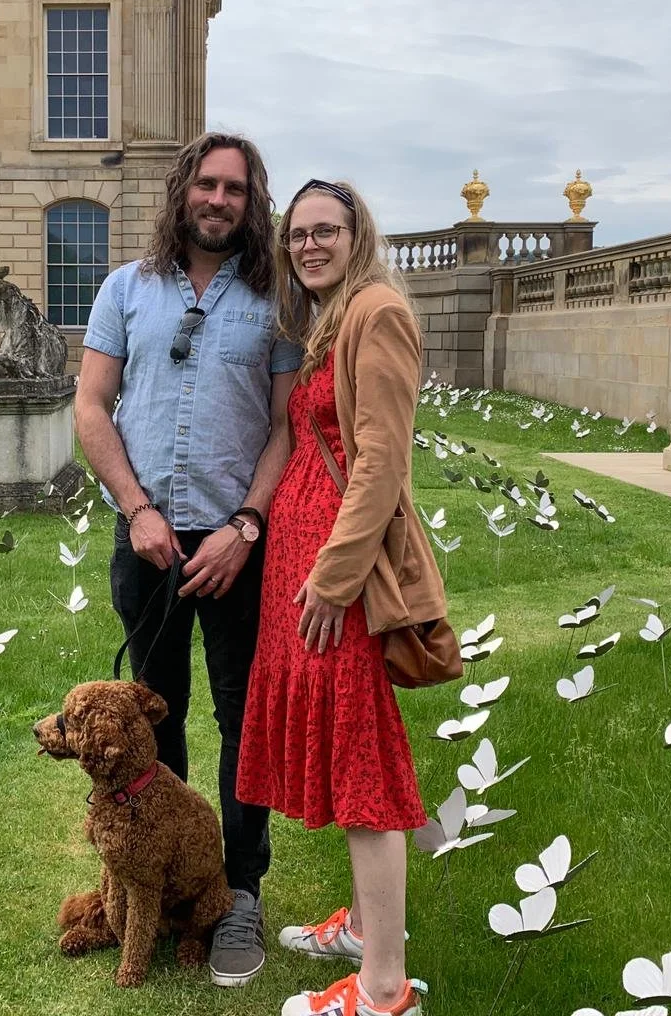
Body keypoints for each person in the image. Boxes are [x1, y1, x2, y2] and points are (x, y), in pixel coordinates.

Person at [76, 131, 302, 988]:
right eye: (205, 184)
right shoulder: (126, 289)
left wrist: (246, 527)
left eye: (234, 189)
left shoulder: (273, 296)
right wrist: (137, 509)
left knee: (245, 721)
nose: (218, 199)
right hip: (148, 541)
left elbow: (283, 425)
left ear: (253, 203)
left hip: (238, 546)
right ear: (183, 193)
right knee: (151, 719)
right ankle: (163, 885)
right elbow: (92, 408)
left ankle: (237, 891)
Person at [236, 179, 442, 1016]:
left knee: (365, 765)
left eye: (325, 231)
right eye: (297, 234)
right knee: (341, 745)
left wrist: (332, 576)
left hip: (337, 578)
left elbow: (381, 462)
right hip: (304, 565)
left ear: (360, 235)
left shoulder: (378, 311)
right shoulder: (332, 316)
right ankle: (360, 929)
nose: (308, 245)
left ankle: (385, 989)